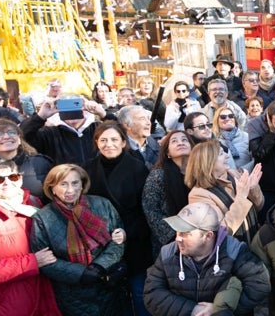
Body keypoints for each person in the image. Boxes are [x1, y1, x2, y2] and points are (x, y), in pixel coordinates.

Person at [30, 164, 127, 316]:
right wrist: (80, 273)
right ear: (52, 188)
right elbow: (45, 261)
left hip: (108, 285)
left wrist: (99, 266)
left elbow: (118, 240)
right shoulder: (42, 218)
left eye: (75, 183)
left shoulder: (102, 204)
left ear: (82, 184)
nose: (70, 190)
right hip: (71, 293)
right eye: (63, 184)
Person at [0, 160, 60, 316]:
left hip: (44, 293)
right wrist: (32, 263)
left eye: (13, 177)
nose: (7, 183)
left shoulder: (34, 204)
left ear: (21, 179)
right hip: (9, 303)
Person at [143, 202, 270, 316]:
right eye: (177, 231)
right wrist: (193, 310)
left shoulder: (234, 251)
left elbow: (260, 284)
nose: (177, 238)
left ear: (208, 236)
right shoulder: (167, 253)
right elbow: (151, 293)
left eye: (185, 233)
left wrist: (219, 310)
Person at [83, 122, 153, 316]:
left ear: (123, 142)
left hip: (134, 242)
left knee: (139, 292)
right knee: (109, 295)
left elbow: (146, 210)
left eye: (114, 139)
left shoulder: (138, 168)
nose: (109, 144)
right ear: (96, 143)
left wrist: (127, 231)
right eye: (103, 140)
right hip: (100, 242)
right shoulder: (87, 168)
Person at [186, 141, 264, 242]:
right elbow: (222, 230)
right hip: (234, 251)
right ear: (208, 161)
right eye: (221, 153)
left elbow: (259, 206)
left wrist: (253, 189)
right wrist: (241, 198)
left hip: (254, 238)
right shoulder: (198, 195)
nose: (227, 156)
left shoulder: (234, 174)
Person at [142, 131, 194, 254]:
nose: (180, 143)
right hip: (171, 240)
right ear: (168, 153)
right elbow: (151, 210)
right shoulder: (158, 175)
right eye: (174, 141)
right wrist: (175, 236)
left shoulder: (199, 172)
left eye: (184, 140)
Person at [22, 96, 106, 166]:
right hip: (65, 183)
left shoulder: (99, 129)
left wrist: (103, 114)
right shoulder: (50, 134)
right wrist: (40, 116)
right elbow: (22, 137)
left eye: (76, 104)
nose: (71, 110)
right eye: (66, 106)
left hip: (98, 183)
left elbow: (118, 131)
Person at [214, 107, 253, 171]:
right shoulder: (215, 141)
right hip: (226, 178)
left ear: (235, 119)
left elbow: (255, 158)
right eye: (223, 117)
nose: (227, 119)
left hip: (248, 176)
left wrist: (243, 171)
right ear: (217, 121)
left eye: (231, 116)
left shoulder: (246, 136)